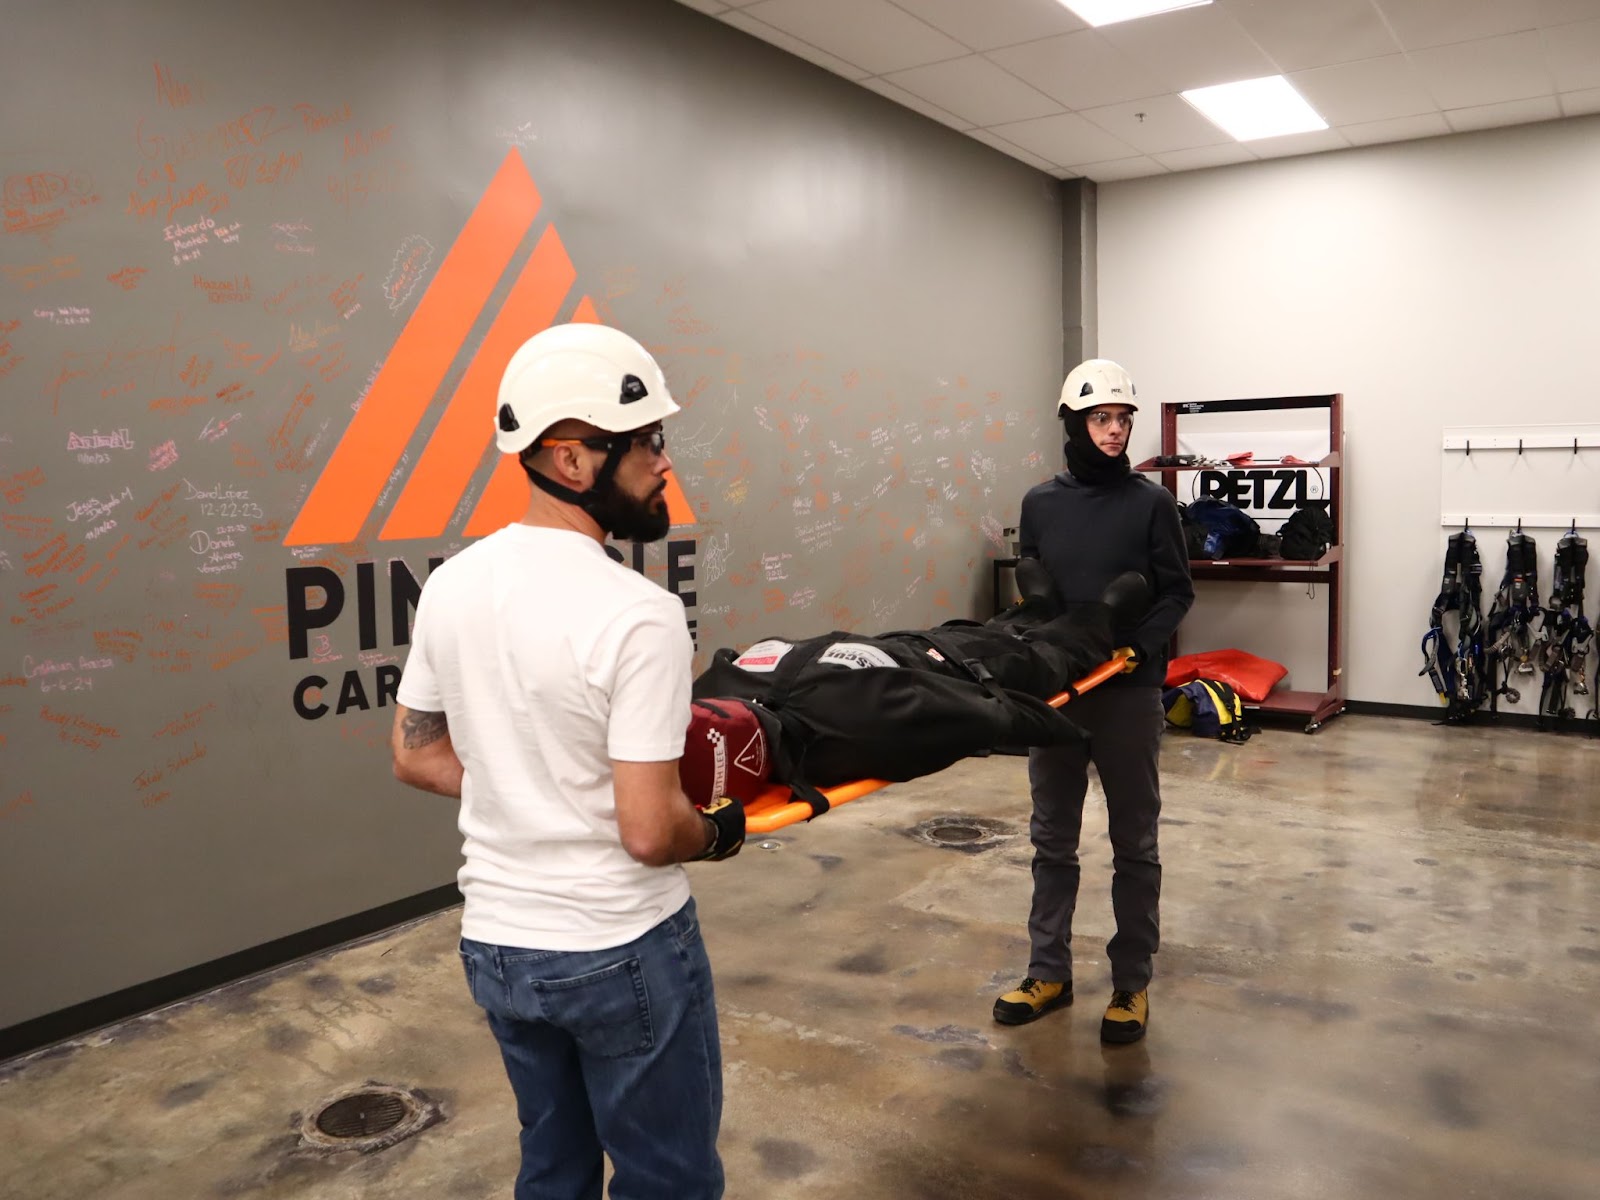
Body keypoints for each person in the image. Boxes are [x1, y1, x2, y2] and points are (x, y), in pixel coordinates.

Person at [391, 322, 744, 1200]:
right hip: (618, 944)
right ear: (573, 461)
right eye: (647, 443)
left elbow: (413, 752)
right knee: (670, 1182)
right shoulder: (640, 614)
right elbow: (649, 831)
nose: (665, 463)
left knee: (552, 1168)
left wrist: (526, 786)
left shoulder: (452, 585)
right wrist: (721, 831)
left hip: (497, 948)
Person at [993, 358, 1194, 1045]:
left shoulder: (1152, 504)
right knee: (1052, 839)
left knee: (1134, 842)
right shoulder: (1040, 504)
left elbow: (1176, 591)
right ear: (1074, 424)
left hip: (1128, 694)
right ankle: (1048, 971)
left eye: (1123, 419)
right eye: (1101, 419)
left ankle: (1131, 984)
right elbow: (1038, 588)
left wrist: (1140, 645)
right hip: (1058, 691)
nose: (1115, 431)